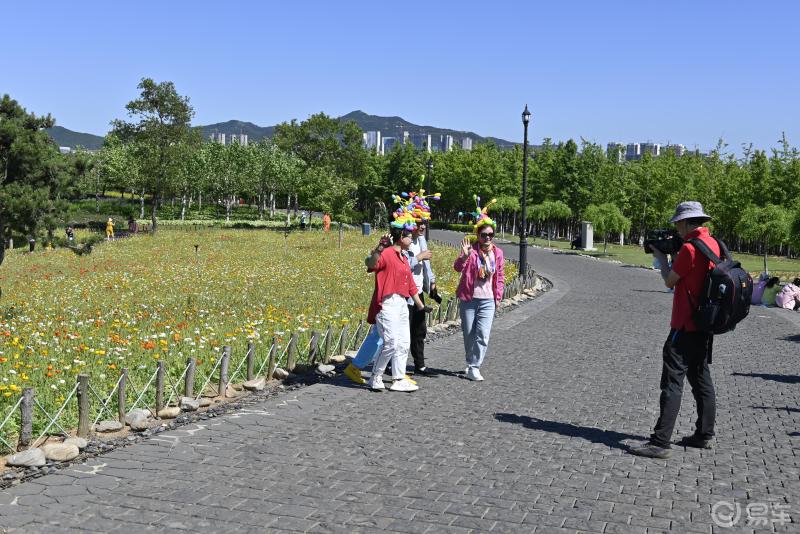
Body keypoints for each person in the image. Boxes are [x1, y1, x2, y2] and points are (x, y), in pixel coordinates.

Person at [631, 201, 719, 459]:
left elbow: (670, 281)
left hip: (684, 324)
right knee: (701, 379)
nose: (676, 229)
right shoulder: (712, 244)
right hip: (704, 324)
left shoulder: (690, 250)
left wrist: (662, 259)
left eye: (678, 223)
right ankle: (704, 434)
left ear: (685, 222)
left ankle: (660, 442)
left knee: (672, 382)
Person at [365, 225, 429, 392]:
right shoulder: (386, 253)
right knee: (391, 342)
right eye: (409, 236)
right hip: (387, 303)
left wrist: (421, 306)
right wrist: (379, 247)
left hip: (402, 303)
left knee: (403, 343)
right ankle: (375, 376)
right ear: (401, 236)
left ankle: (398, 378)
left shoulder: (405, 258)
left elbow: (411, 287)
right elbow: (371, 264)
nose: (412, 238)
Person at [454, 196, 504, 381]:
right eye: (484, 235)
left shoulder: (498, 253)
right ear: (478, 235)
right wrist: (465, 257)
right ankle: (470, 363)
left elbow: (500, 276)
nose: (488, 238)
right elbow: (457, 268)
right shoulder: (471, 250)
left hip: (488, 299)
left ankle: (475, 366)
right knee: (468, 335)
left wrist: (498, 296)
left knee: (482, 335)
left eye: (491, 235)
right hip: (469, 298)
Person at [406, 218, 437, 374]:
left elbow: (427, 264)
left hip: (418, 291)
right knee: (404, 331)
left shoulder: (422, 240)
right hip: (405, 294)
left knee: (420, 329)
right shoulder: (406, 241)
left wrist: (431, 281)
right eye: (418, 223)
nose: (422, 226)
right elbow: (401, 265)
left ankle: (419, 364)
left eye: (424, 223)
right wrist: (419, 257)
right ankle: (393, 366)